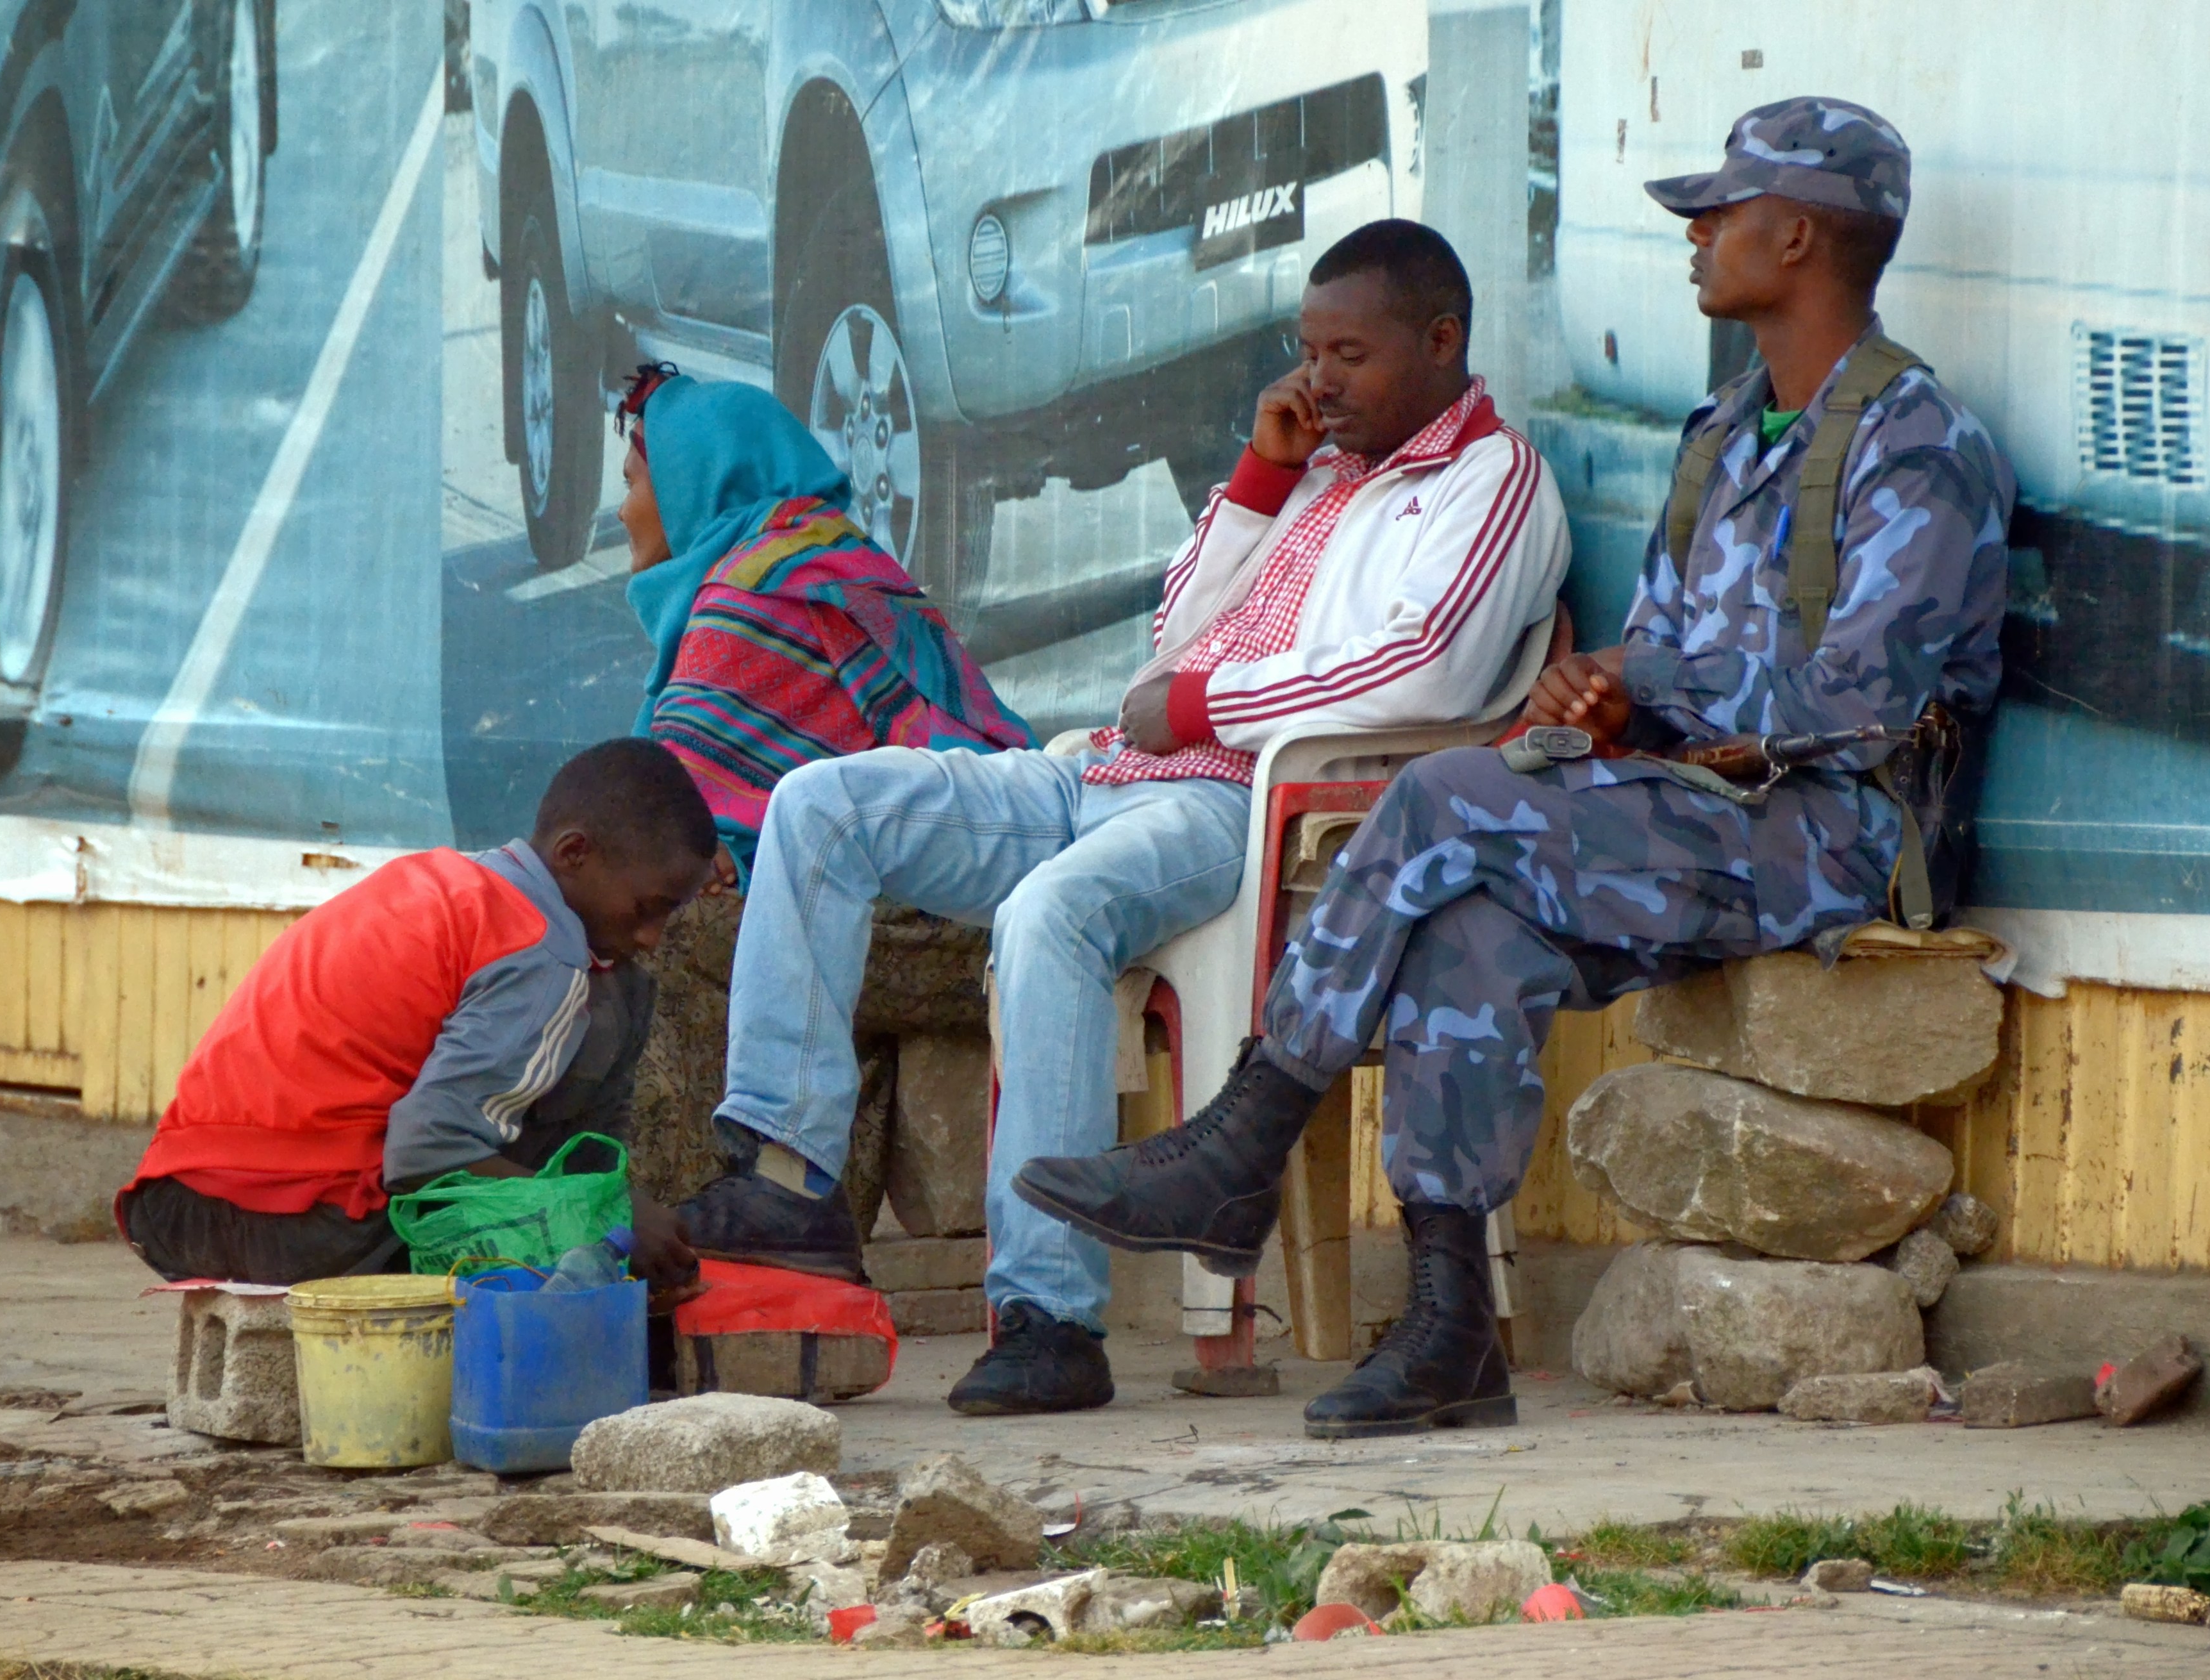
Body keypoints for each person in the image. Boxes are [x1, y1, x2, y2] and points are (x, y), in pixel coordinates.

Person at [1013, 97, 2016, 1440]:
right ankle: (1452, 1330)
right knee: (1470, 926)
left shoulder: (1916, 441)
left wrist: (1649, 686)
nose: (1697, 236)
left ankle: (1245, 1140)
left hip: (1837, 834)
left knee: (1440, 796)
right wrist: (1598, 695)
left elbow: (1859, 706)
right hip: (1703, 809)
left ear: (1798, 238)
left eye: (1720, 214)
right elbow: (1664, 651)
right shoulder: (1723, 432)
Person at [672, 219, 1571, 1415]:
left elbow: (1423, 669)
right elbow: (1175, 628)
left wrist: (1202, 704)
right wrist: (1259, 480)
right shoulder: (1317, 473)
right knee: (822, 805)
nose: (1318, 380)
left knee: (1051, 914)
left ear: (1442, 341)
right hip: (1099, 773)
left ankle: (1049, 1318)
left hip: (1235, 803)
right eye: (1309, 351)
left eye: (1348, 355)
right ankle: (787, 1180)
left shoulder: (1489, 479)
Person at [115, 738, 717, 1286]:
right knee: (554, 1246)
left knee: (614, 999)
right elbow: (426, 1155)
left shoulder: (450, 884)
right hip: (293, 1221)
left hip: (175, 1207)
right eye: (646, 908)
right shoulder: (542, 953)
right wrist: (609, 1215)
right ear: (574, 852)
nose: (651, 937)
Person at [617, 369, 1036, 882]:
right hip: (975, 844)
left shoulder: (747, 592)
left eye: (630, 484)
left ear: (687, 485)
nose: (622, 512)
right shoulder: (831, 551)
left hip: (890, 882)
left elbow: (662, 826)